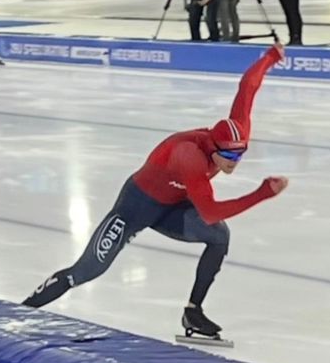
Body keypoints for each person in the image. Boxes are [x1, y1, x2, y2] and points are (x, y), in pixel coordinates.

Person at [22, 45, 289, 338]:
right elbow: (210, 212)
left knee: (219, 237)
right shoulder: (190, 157)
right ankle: (20, 311)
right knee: (86, 270)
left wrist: (271, 57)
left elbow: (248, 86)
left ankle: (193, 312)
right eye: (230, 158)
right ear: (213, 148)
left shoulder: (236, 131)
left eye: (241, 155)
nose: (235, 163)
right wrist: (261, 193)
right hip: (137, 206)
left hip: (173, 205)